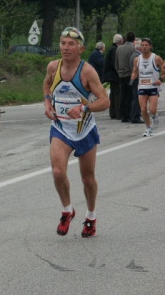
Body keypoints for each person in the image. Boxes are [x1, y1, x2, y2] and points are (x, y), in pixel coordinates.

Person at [43, 27, 110, 238]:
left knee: (87, 179)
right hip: (61, 130)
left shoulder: (87, 71)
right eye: (63, 43)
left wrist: (84, 108)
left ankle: (91, 217)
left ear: (80, 48)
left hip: (85, 130)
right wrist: (47, 104)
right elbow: (46, 84)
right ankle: (67, 211)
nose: (66, 48)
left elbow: (105, 101)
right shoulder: (53, 67)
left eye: (71, 44)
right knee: (57, 171)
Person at [131, 38, 164, 137]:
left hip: (153, 87)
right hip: (142, 86)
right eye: (143, 45)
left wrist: (161, 79)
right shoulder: (137, 59)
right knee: (143, 109)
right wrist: (133, 75)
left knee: (152, 109)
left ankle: (154, 116)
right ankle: (148, 128)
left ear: (150, 47)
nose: (144, 47)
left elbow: (163, 72)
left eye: (146, 45)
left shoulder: (156, 58)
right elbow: (134, 71)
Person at [115, 32, 136, 122]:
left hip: (121, 74)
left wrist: (119, 71)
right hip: (129, 74)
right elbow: (133, 62)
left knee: (122, 95)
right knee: (130, 95)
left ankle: (122, 115)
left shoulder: (119, 48)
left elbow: (116, 62)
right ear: (134, 39)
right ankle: (129, 113)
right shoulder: (133, 48)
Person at [104, 34, 123, 119]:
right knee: (117, 94)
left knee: (113, 94)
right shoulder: (115, 49)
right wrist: (119, 72)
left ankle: (113, 113)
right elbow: (113, 63)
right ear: (120, 41)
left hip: (111, 74)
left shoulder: (111, 48)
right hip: (114, 75)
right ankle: (118, 113)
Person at [128, 38, 144, 123]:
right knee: (136, 98)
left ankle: (135, 115)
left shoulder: (134, 55)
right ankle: (135, 116)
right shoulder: (136, 56)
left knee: (136, 98)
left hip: (134, 79)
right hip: (136, 79)